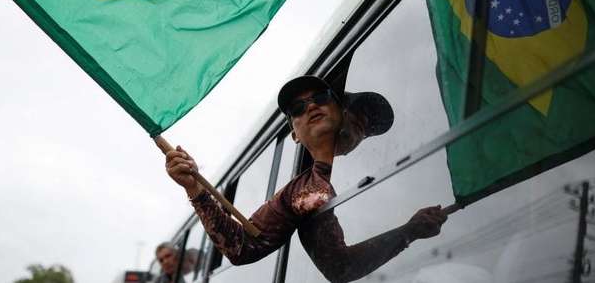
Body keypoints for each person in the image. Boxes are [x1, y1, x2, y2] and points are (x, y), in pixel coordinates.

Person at [165, 76, 447, 283]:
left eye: (322, 98)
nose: (311, 106)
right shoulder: (296, 193)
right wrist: (196, 189)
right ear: (295, 135)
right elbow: (243, 248)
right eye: (298, 109)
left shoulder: (399, 165)